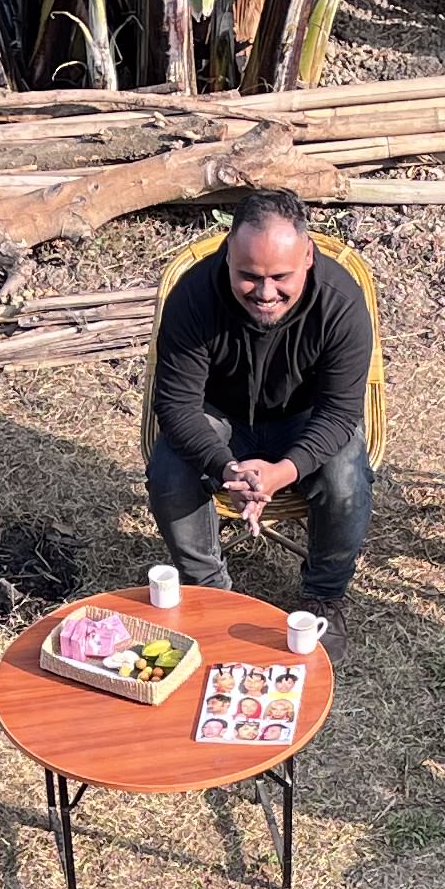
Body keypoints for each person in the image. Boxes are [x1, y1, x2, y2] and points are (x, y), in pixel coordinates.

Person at [147, 187, 374, 635]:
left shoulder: (341, 304)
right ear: (227, 252)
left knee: (346, 476)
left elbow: (339, 414)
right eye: (249, 275)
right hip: (220, 420)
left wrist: (282, 472)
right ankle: (210, 594)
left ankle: (324, 598)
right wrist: (225, 466)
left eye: (281, 277)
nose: (266, 293)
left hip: (306, 420)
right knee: (170, 470)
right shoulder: (192, 297)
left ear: (308, 256)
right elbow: (176, 405)